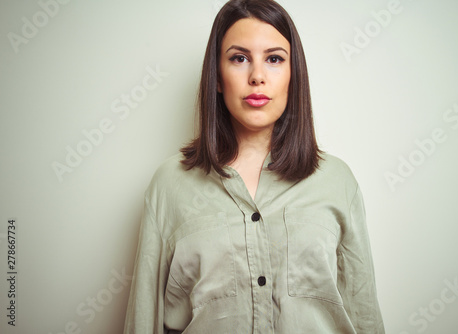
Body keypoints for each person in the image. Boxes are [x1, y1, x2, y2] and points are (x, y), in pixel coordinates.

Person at [123, 0, 384, 333]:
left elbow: (363, 315)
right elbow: (143, 319)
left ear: (293, 75)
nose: (257, 76)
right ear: (217, 77)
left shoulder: (337, 181)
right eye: (239, 58)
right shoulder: (169, 185)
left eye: (274, 59)